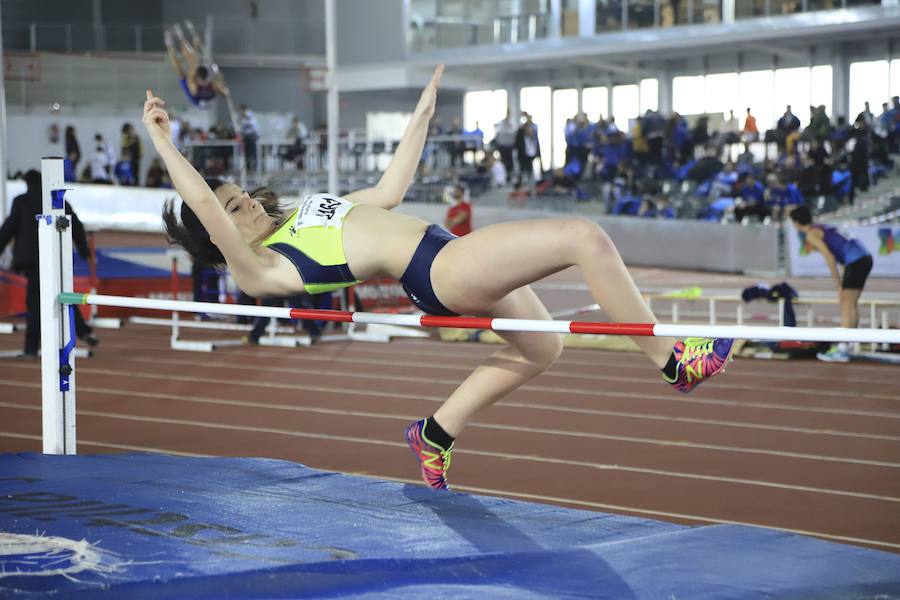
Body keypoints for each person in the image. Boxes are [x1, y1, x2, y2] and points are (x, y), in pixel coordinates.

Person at [144, 66, 734, 492]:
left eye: (240, 194)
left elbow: (389, 194)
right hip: (438, 270)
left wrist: (421, 116)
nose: (244, 201)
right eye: (231, 206)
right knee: (584, 237)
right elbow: (206, 204)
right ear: (218, 233)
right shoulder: (260, 268)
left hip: (444, 251)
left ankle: (434, 432)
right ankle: (671, 360)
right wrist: (163, 143)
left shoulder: (300, 215)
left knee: (545, 347)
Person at [0, 170, 99, 357]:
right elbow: (75, 225)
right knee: (62, 295)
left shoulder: (21, 201)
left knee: (35, 303)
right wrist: (84, 250)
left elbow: (8, 228)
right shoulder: (57, 201)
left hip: (30, 260)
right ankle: (84, 331)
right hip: (55, 258)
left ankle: (31, 347)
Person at [789, 206, 873, 363]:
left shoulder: (811, 235)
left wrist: (838, 284)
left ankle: (842, 348)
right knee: (851, 303)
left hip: (856, 261)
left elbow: (829, 257)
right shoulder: (822, 227)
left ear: (796, 222)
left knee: (847, 304)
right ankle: (848, 344)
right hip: (864, 258)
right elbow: (840, 250)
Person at [164, 23, 229, 109]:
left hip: (195, 97)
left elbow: (194, 63)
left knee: (180, 71)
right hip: (204, 95)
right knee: (193, 61)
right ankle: (180, 36)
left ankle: (170, 45)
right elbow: (224, 90)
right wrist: (219, 78)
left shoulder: (193, 84)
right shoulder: (212, 85)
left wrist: (195, 46)